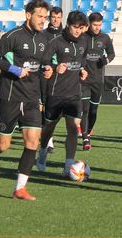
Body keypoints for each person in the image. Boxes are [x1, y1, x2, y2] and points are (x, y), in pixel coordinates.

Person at [0, 0, 54, 200]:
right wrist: (14, 69)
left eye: (45, 17)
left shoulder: (44, 40)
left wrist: (48, 69)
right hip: (9, 96)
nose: (43, 21)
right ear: (28, 15)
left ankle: (20, 188)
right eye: (40, 16)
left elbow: (44, 63)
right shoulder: (13, 36)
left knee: (32, 141)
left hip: (31, 98)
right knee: (3, 145)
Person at [36, 11, 90, 176]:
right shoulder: (56, 42)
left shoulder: (84, 42)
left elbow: (82, 61)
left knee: (73, 128)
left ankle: (68, 167)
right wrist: (53, 67)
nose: (77, 31)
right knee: (49, 128)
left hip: (74, 94)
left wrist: (82, 70)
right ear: (68, 25)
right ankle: (42, 152)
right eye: (75, 27)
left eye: (80, 28)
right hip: (55, 93)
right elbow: (43, 63)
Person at [80, 12, 115, 150]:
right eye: (95, 25)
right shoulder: (82, 37)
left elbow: (112, 53)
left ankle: (88, 132)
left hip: (98, 81)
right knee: (85, 110)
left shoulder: (105, 38)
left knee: (93, 111)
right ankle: (85, 139)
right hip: (84, 80)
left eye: (100, 25)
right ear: (89, 24)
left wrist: (106, 60)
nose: (97, 28)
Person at [43, 6, 63, 152]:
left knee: (58, 110)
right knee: (46, 107)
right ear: (50, 18)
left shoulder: (65, 35)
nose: (56, 20)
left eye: (58, 17)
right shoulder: (43, 35)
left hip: (62, 78)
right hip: (47, 75)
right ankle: (48, 140)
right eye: (54, 17)